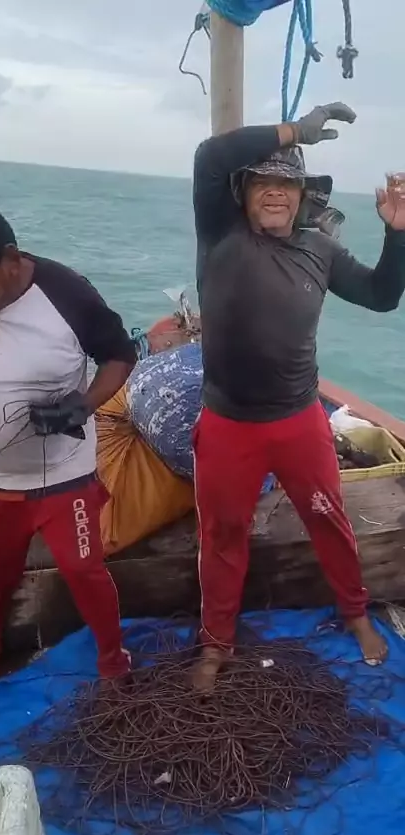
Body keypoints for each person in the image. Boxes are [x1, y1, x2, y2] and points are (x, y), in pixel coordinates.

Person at [192, 103, 405, 691]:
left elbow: (383, 296)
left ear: (301, 194)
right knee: (223, 535)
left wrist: (397, 234)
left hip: (299, 419)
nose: (275, 192)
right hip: (228, 423)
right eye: (263, 181)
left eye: (286, 183)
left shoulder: (321, 250)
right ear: (243, 193)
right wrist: (296, 131)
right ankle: (216, 641)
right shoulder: (220, 233)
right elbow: (210, 156)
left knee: (328, 518)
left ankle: (355, 612)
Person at [0, 199, 137, 718]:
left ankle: (114, 663)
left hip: (66, 477)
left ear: (10, 258)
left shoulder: (66, 292)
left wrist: (83, 404)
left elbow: (119, 355)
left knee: (85, 570)